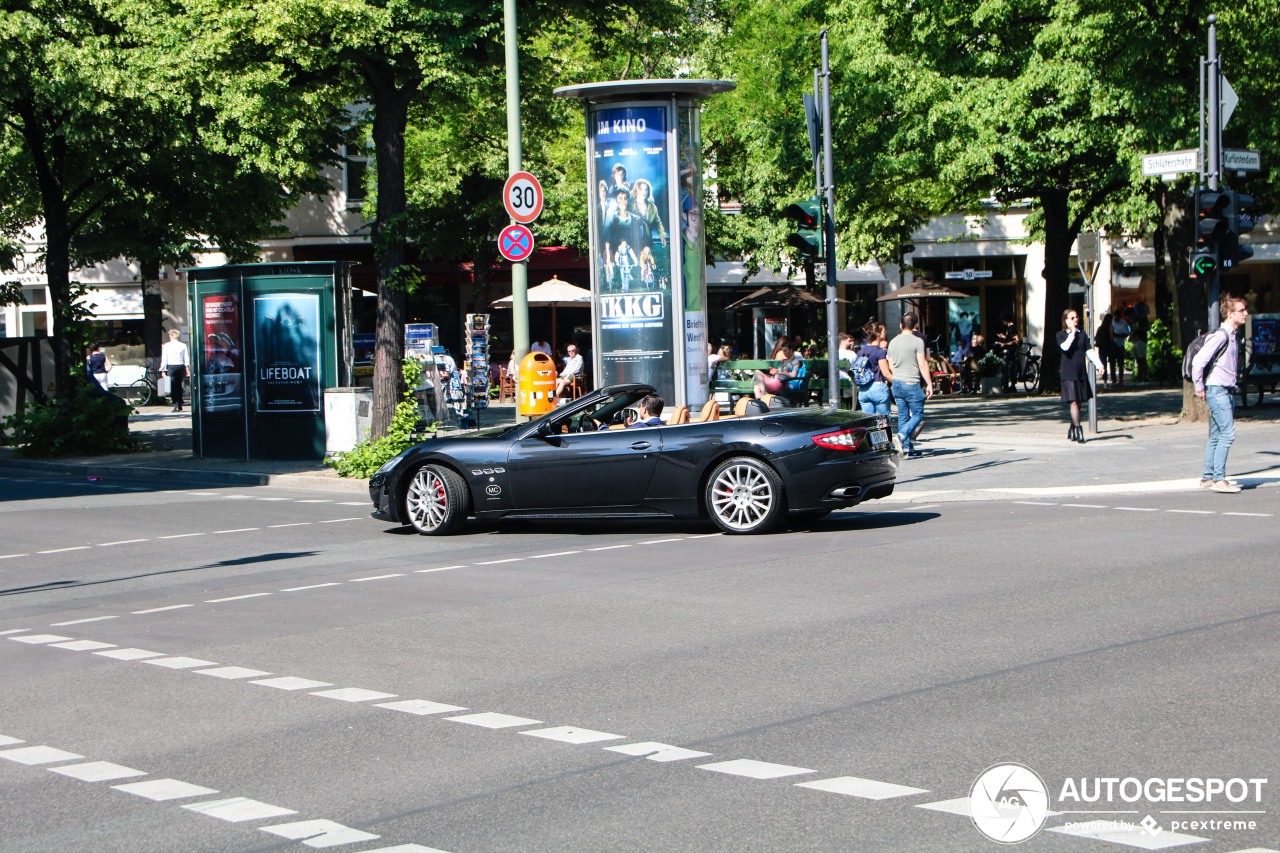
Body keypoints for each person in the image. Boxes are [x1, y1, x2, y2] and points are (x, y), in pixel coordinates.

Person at [1193, 296, 1248, 493]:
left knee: (1216, 435)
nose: (1245, 313)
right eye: (1242, 310)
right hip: (1217, 389)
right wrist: (1199, 387)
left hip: (1224, 389)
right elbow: (1198, 362)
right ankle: (1219, 479)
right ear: (1230, 313)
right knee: (1228, 433)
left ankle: (1208, 477)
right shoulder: (1221, 336)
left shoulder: (1232, 335)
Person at [887, 311, 933, 457]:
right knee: (918, 415)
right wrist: (930, 384)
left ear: (901, 325)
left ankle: (906, 448)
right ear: (915, 326)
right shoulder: (917, 341)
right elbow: (923, 363)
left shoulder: (893, 341)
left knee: (903, 416)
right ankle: (901, 436)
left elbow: (890, 364)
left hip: (897, 383)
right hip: (911, 382)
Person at [1056, 309, 1104, 443]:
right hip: (1068, 372)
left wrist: (1099, 365)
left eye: (1076, 317)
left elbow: (1089, 351)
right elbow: (1065, 348)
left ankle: (1072, 426)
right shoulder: (1061, 335)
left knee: (1079, 401)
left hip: (1081, 372)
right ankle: (1078, 429)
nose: (1075, 319)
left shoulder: (1082, 334)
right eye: (1072, 318)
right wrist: (1071, 333)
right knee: (1074, 401)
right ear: (1066, 320)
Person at [857, 321, 893, 416]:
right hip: (878, 387)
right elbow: (886, 373)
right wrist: (898, 383)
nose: (885, 333)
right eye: (884, 331)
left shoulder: (861, 351)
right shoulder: (880, 352)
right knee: (883, 422)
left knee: (868, 423)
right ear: (878, 333)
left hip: (863, 390)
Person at [160, 329, 189, 412]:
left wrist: (162, 370)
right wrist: (187, 367)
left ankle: (176, 404)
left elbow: (164, 359)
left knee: (173, 386)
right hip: (180, 366)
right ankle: (180, 403)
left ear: (170, 336)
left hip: (171, 367)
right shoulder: (183, 345)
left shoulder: (166, 345)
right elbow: (186, 357)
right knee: (179, 385)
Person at [992, 313, 1021, 392]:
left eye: (1003, 320)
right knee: (1007, 368)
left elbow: (1016, 340)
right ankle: (1008, 385)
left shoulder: (1012, 328)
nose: (1002, 322)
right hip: (1010, 350)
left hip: (1011, 351)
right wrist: (1004, 337)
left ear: (1006, 320)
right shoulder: (1009, 328)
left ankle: (1007, 386)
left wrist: (1004, 343)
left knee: (1006, 368)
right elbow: (1010, 338)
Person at [1110, 309, 1132, 385]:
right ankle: (1114, 380)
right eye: (1116, 316)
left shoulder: (1123, 323)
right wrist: (1118, 335)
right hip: (1113, 345)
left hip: (1121, 344)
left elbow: (1126, 333)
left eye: (1119, 316)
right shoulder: (1111, 323)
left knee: (1120, 363)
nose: (1117, 318)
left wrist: (1117, 335)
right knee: (1112, 363)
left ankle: (1121, 380)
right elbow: (1111, 334)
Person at [1095, 313, 1117, 385]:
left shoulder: (1100, 328)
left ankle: (1105, 380)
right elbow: (1112, 337)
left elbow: (1096, 337)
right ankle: (1113, 379)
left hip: (1102, 347)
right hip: (1109, 347)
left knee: (1103, 364)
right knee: (1112, 364)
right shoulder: (1110, 327)